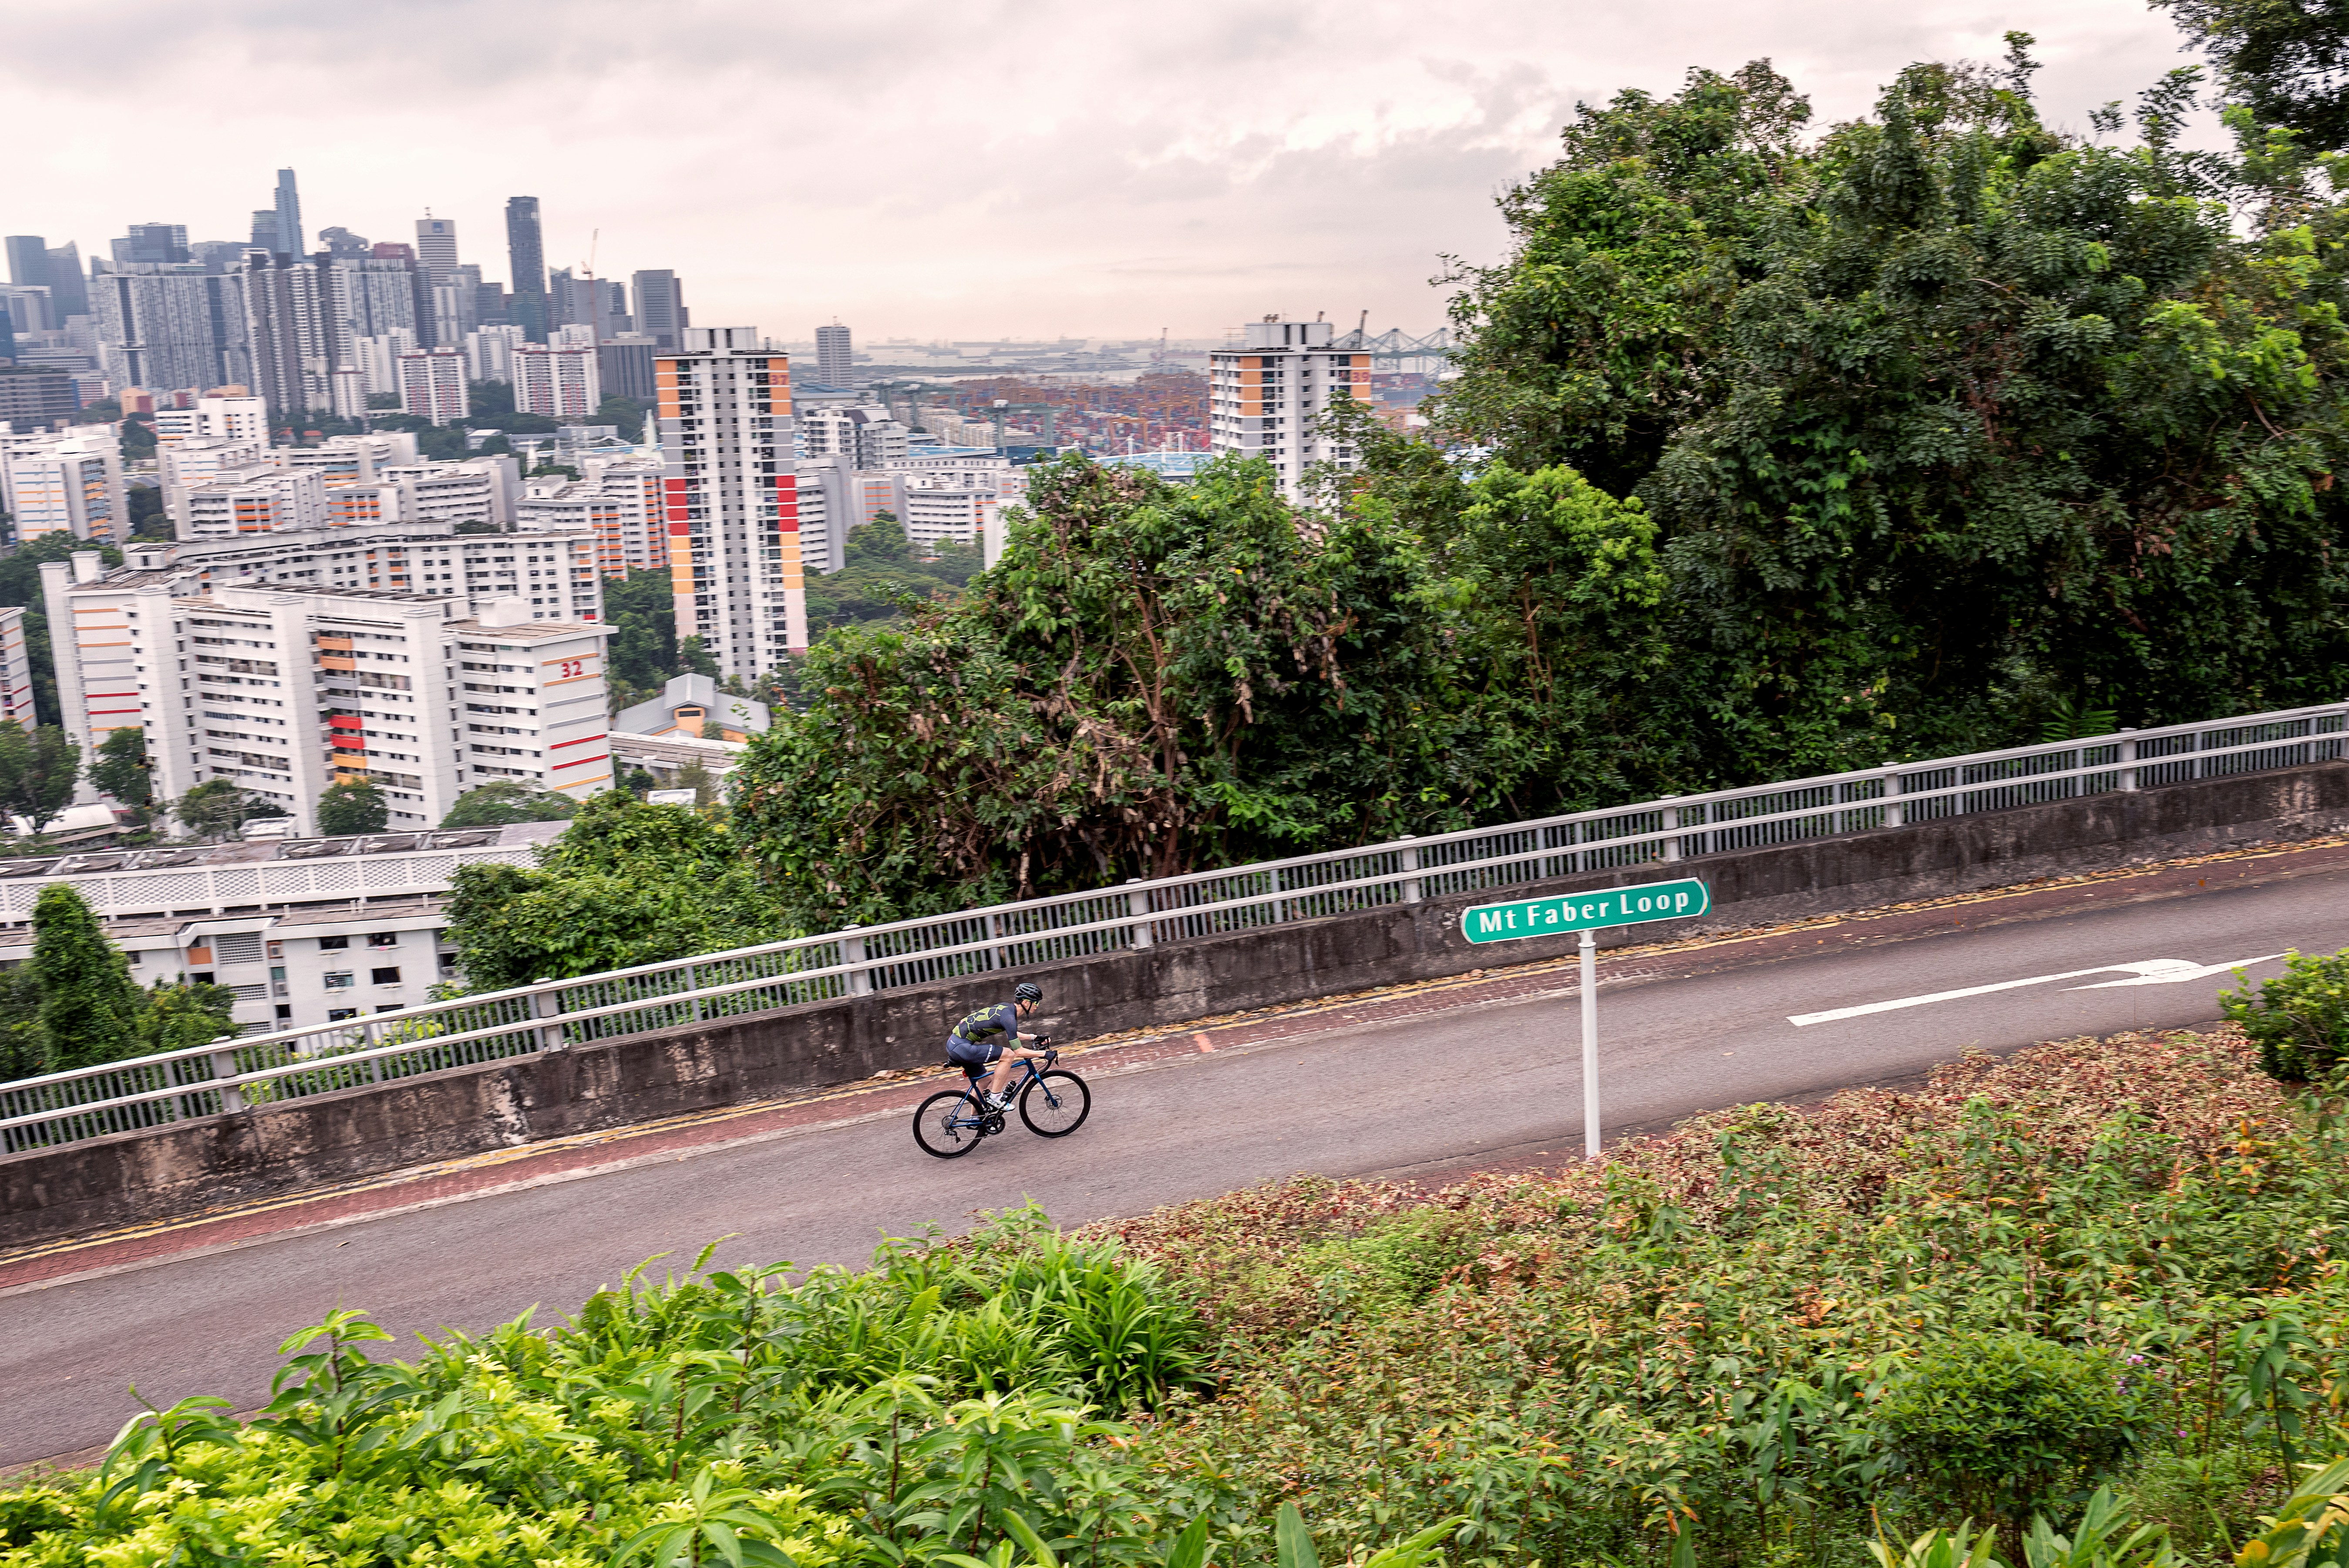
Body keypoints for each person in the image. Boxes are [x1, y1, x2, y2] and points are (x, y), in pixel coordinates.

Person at [944, 981, 1054, 1110]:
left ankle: (975, 1119)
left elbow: (1012, 1034)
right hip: (962, 1048)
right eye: (1036, 1003)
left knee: (984, 1081)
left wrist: (1034, 1037)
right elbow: (1018, 1051)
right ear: (1026, 1003)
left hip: (955, 1044)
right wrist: (1044, 1054)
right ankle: (995, 1097)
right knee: (1009, 1055)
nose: (1037, 1006)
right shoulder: (1009, 1018)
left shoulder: (1006, 1010)